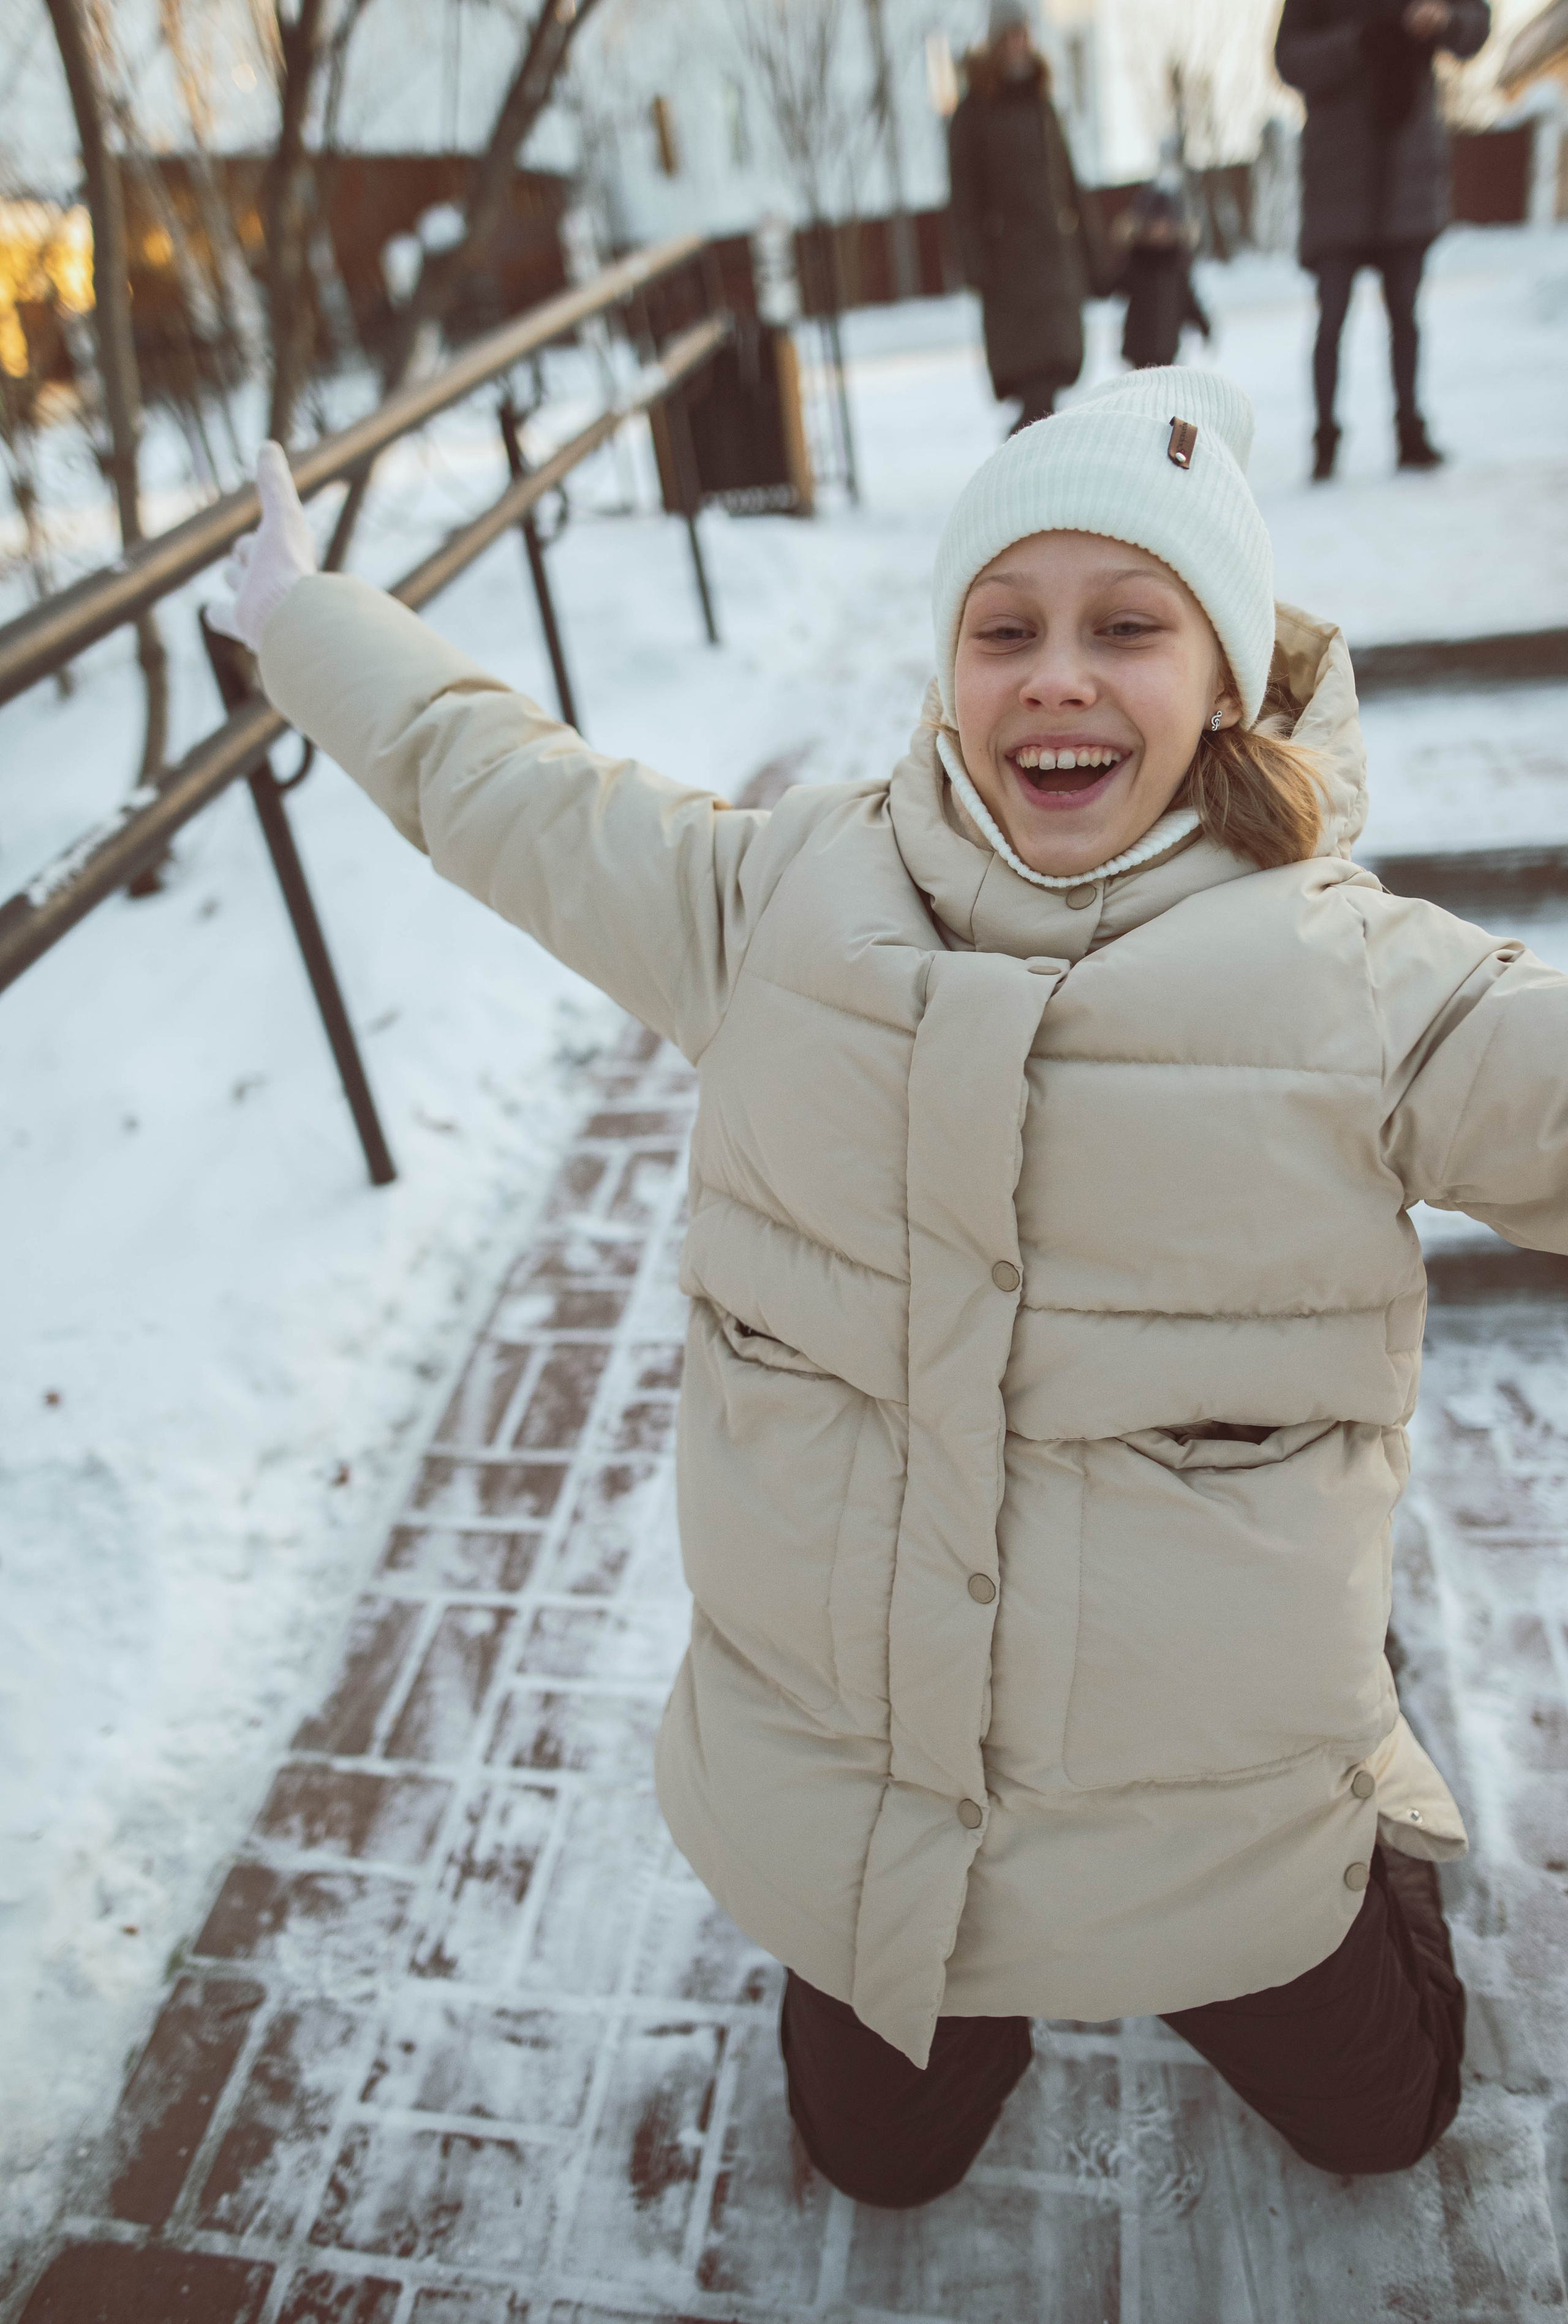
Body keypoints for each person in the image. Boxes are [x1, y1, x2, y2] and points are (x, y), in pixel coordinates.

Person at [214, 360, 1568, 2205]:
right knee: (873, 2167)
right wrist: (304, 624)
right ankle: (982, 1966)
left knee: (1387, 2122)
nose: (1058, 674)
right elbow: (505, 788)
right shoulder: (782, 906)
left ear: (1228, 680)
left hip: (1217, 1811)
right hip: (876, 1803)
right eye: (1002, 626)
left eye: (1127, 625)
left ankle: (1361, 1730)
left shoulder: (1366, 992)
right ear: (948, 672)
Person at [1275, 0, 1491, 481]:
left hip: (1405, 177)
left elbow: (1476, 25)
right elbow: (1289, 58)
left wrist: (1446, 18)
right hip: (1338, 182)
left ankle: (1410, 433)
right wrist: (1357, 41)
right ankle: (1325, 440)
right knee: (1330, 322)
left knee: (1406, 319)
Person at [948, 0, 1095, 434]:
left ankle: (1032, 464)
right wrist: (976, 264)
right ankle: (1029, 465)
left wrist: (1092, 252)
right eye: (1008, 36)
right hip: (1008, 268)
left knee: (1052, 374)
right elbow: (963, 197)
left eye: (1022, 35)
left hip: (1053, 262)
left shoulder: (1041, 104)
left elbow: (1070, 185)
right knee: (1034, 380)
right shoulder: (973, 113)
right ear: (994, 44)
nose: (1017, 44)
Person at [1114, 179, 1212, 371]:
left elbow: (1187, 299)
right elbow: (1108, 285)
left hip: (1168, 349)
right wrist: (1119, 248)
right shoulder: (1135, 259)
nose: (1160, 230)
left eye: (1166, 225)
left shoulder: (1178, 263)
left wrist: (1203, 324)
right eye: (1154, 225)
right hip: (1138, 352)